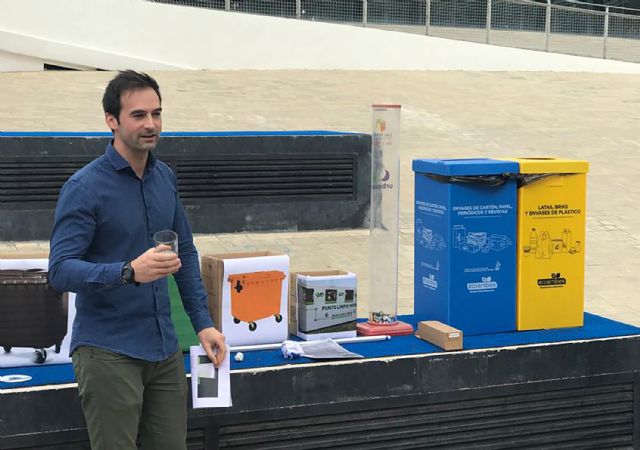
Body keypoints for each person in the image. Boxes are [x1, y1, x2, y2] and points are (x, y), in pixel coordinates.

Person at [48, 70, 226, 450]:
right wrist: (128, 272)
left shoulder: (165, 178)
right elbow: (60, 270)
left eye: (157, 114)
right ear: (111, 121)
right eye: (139, 115)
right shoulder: (84, 188)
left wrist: (204, 324)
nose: (151, 124)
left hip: (164, 350)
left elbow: (187, 253)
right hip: (108, 351)